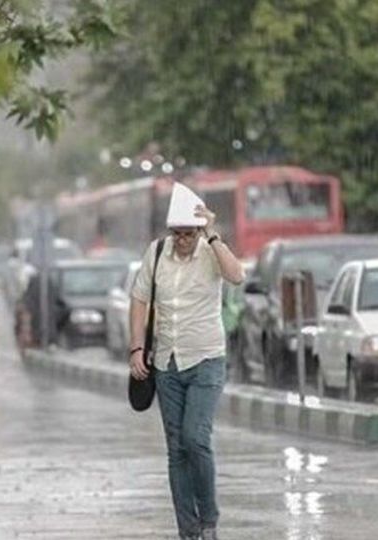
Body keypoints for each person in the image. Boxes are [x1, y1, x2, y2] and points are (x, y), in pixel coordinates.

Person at [129, 183, 245, 540]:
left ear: (198, 231)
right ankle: (188, 529)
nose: (182, 240)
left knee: (196, 438)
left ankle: (209, 519)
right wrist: (136, 348)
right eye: (177, 233)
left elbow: (237, 276)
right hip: (166, 363)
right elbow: (139, 299)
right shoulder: (156, 252)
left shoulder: (211, 252)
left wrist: (212, 234)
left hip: (206, 359)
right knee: (176, 448)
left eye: (188, 234)